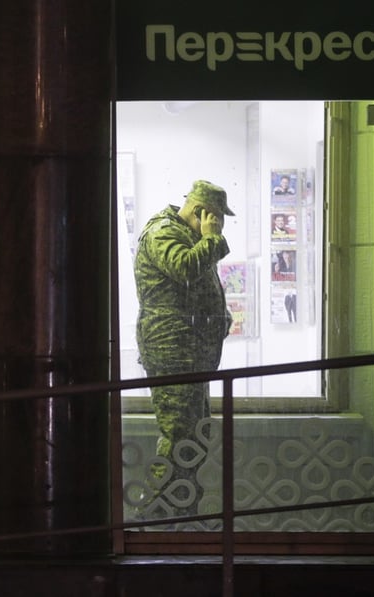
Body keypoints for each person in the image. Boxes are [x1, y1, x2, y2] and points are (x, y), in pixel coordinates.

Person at [134, 179, 234, 520]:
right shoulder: (164, 232)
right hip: (173, 352)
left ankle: (181, 507)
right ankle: (159, 516)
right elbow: (186, 269)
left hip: (191, 353)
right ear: (201, 211)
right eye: (217, 218)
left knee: (195, 434)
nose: (219, 225)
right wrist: (211, 238)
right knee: (178, 435)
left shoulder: (187, 235)